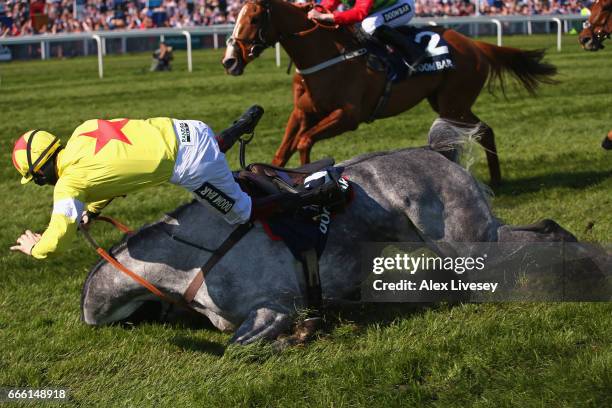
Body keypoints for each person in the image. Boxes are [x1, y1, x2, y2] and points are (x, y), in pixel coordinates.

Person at [9, 108, 299, 259]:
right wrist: (92, 211)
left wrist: (35, 247)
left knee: (242, 214)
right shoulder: (83, 131)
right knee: (201, 153)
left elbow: (56, 243)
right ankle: (230, 133)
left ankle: (310, 195)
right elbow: (106, 175)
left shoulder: (68, 186)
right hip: (190, 128)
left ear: (40, 173)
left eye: (36, 180)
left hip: (194, 165)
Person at [308, 0, 427, 68]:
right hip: (379, 9)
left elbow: (359, 13)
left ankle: (414, 53)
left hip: (402, 6)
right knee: (358, 27)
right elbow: (329, 2)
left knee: (368, 25)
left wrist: (326, 16)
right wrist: (316, 11)